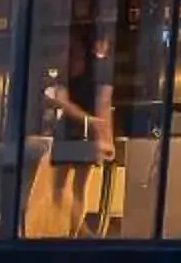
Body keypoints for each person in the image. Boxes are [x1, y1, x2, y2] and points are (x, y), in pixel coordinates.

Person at [24, 32, 115, 237]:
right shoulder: (99, 71)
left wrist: (93, 125)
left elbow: (65, 101)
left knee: (61, 187)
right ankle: (75, 230)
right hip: (83, 131)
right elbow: (104, 105)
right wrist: (101, 131)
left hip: (69, 130)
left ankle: (71, 230)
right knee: (76, 187)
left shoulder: (72, 71)